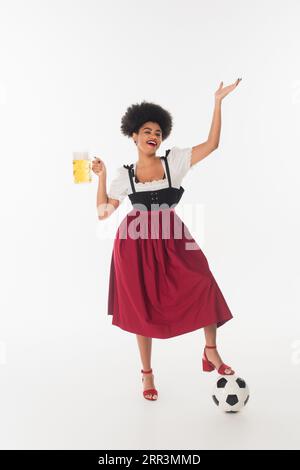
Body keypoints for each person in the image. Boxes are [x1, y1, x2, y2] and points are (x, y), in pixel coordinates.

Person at [92, 79, 242, 401]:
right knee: (141, 309)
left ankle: (211, 351)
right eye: (147, 131)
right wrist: (102, 177)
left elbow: (212, 144)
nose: (153, 136)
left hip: (173, 238)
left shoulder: (174, 162)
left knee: (202, 282)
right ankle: (147, 374)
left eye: (158, 132)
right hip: (134, 245)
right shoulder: (124, 174)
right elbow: (104, 211)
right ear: (133, 135)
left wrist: (217, 102)